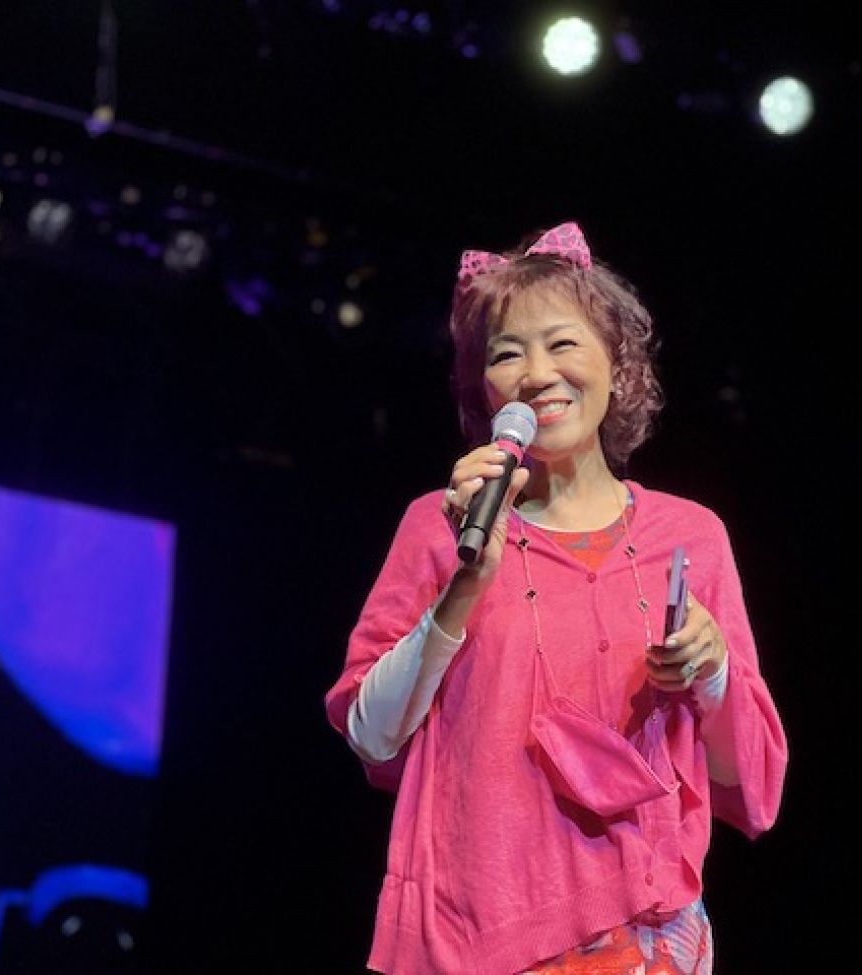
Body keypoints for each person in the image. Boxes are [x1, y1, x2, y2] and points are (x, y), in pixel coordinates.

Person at [324, 221, 788, 974]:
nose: (537, 374)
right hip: (475, 942)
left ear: (618, 364)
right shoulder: (439, 526)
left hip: (645, 938)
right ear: (484, 388)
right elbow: (371, 736)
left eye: (562, 343)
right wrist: (465, 583)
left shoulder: (692, 536)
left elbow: (751, 782)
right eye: (507, 353)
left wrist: (712, 671)